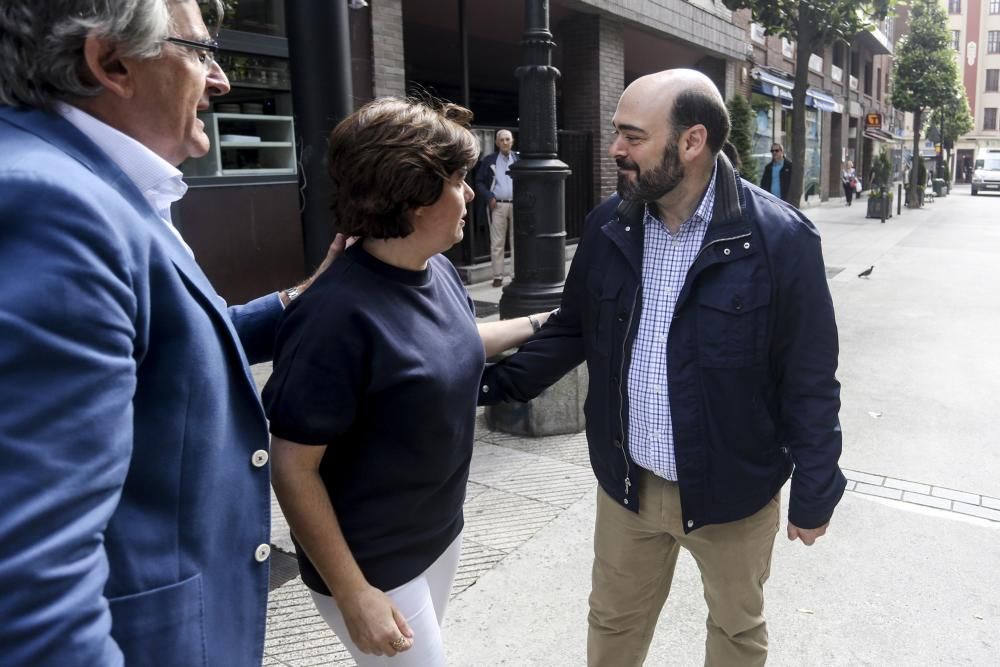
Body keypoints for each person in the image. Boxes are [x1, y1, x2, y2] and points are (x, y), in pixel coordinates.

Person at [0, 2, 340, 664]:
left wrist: (303, 297)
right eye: (198, 51)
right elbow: (31, 581)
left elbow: (170, 355)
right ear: (112, 62)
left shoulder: (105, 188)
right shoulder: (54, 206)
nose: (221, 80)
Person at [479, 69, 844, 666]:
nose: (615, 149)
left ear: (691, 142)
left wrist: (816, 487)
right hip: (628, 484)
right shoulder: (610, 225)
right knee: (613, 624)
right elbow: (573, 331)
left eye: (632, 136)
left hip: (734, 494)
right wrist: (479, 383)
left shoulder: (780, 239)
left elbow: (810, 375)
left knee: (736, 631)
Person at [262, 98, 551, 666]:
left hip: (439, 532)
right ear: (412, 195)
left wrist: (546, 322)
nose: (471, 195)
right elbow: (293, 468)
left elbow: (457, 343)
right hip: (372, 562)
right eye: (459, 180)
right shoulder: (332, 318)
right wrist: (352, 592)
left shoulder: (435, 269)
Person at [475, 129, 519, 287]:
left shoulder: (519, 159)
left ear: (512, 141)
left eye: (508, 139)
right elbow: (479, 181)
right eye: (502, 140)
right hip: (497, 205)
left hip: (517, 205)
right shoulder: (489, 160)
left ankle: (515, 275)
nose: (505, 142)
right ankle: (498, 276)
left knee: (517, 242)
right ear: (497, 142)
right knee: (497, 242)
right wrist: (489, 197)